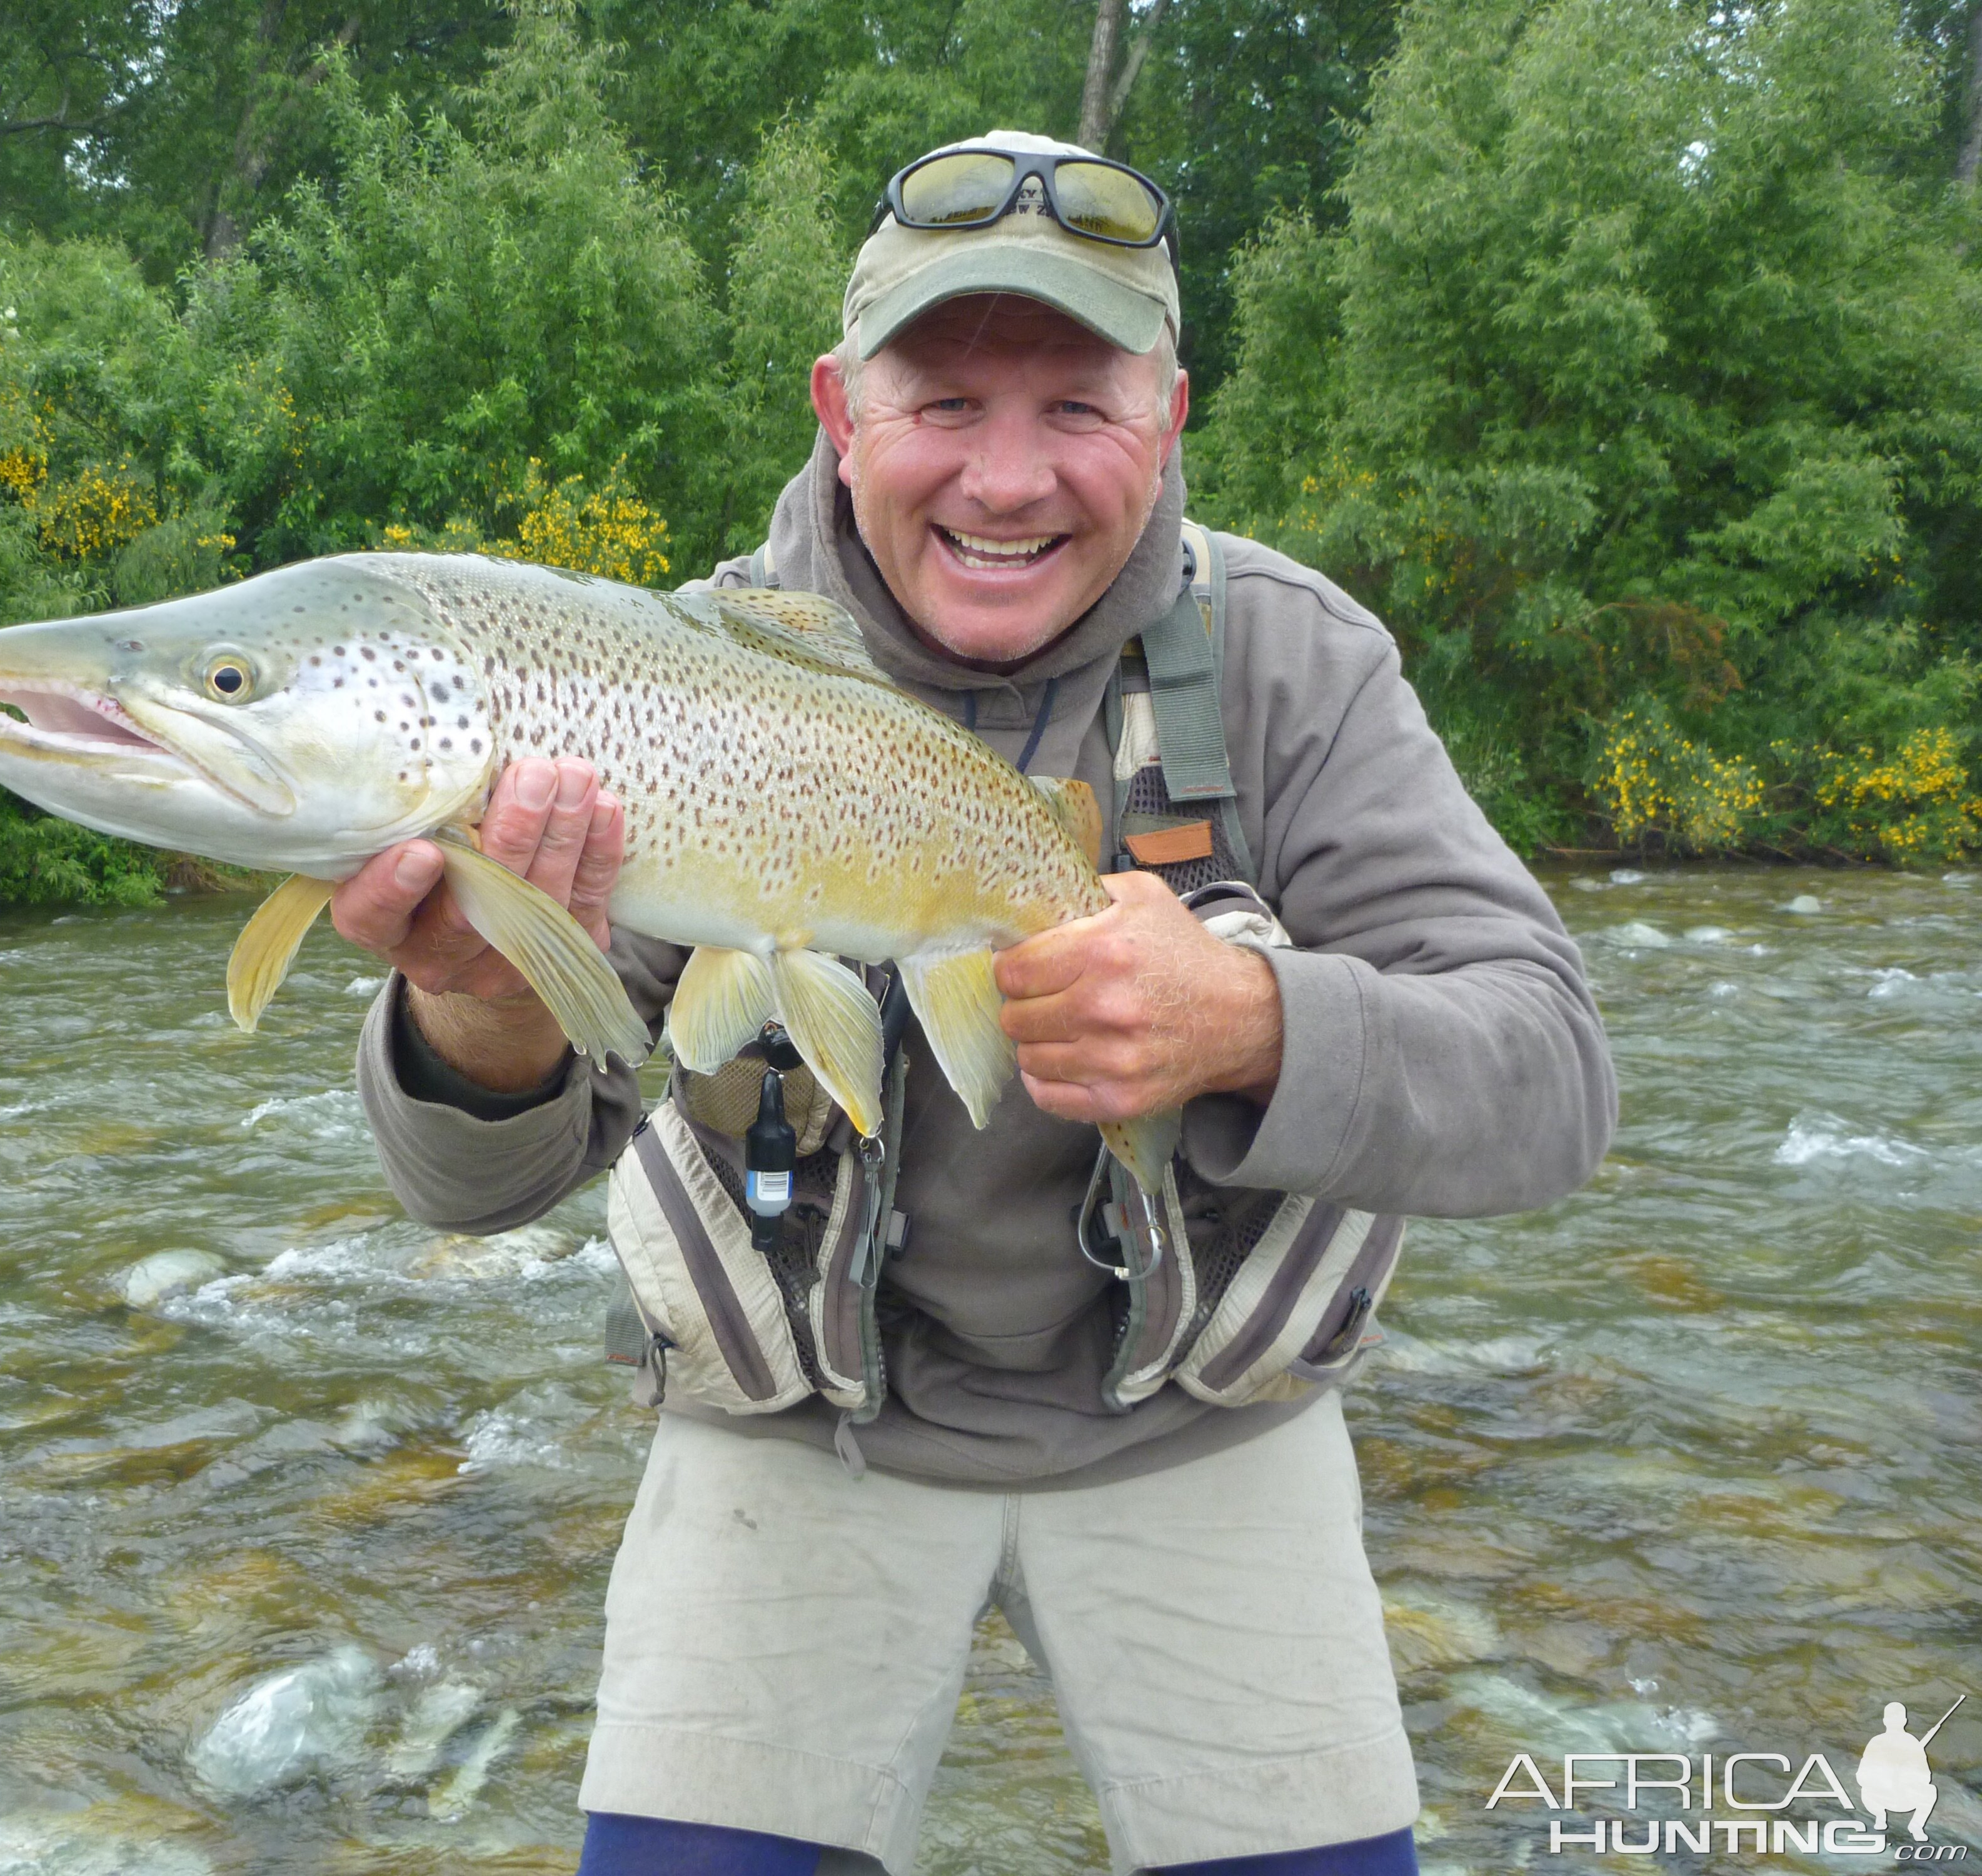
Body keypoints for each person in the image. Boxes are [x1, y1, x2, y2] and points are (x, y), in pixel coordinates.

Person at [336, 129, 1614, 1875]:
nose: (1006, 481)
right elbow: (466, 1191)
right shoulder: (654, 681)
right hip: (799, 1435)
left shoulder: (1296, 666)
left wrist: (1256, 1027)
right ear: (836, 410)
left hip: (1200, 1431)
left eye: (1076, 410)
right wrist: (487, 1009)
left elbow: (1553, 1078)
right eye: (943, 403)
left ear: (1169, 419)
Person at [1858, 1702, 1940, 1840]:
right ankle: (1880, 1817)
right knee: (1866, 1790)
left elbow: (1925, 1777)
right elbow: (1862, 1776)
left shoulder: (1910, 1743)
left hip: (1905, 1798)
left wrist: (1906, 1774)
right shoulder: (1877, 1742)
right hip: (1883, 1797)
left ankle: (1916, 1826)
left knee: (1931, 1790)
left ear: (1885, 1721)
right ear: (1904, 1721)